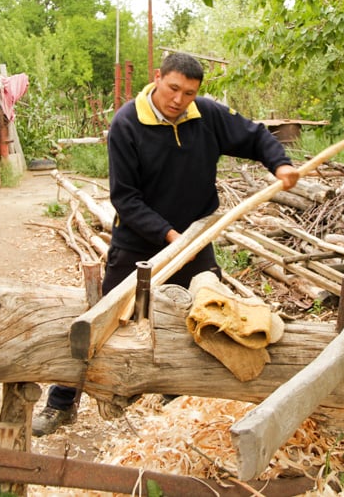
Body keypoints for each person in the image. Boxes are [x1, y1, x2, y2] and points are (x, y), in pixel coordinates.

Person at [32, 52, 299, 436]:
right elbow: (125, 198)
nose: (179, 99)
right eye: (174, 88)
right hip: (139, 242)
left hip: (195, 239)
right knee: (103, 317)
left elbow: (256, 136)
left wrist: (280, 164)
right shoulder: (127, 124)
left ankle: (177, 392)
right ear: (157, 78)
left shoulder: (206, 115)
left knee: (211, 313)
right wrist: (172, 238)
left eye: (189, 93)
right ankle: (61, 402)